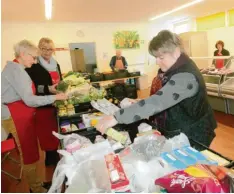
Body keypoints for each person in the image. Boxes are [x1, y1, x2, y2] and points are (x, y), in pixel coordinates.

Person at [96, 30, 217, 150]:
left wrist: (116, 117)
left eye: (161, 57)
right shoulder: (176, 68)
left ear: (175, 52)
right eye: (156, 57)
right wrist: (141, 102)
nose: (157, 62)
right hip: (181, 129)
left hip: (194, 134)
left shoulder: (185, 76)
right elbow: (166, 97)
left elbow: (158, 102)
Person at [1, 40, 67, 193]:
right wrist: (55, 98)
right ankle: (36, 189)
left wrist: (49, 88)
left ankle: (36, 185)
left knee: (30, 150)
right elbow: (30, 99)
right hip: (14, 115)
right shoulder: (17, 70)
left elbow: (27, 89)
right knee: (27, 152)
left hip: (18, 112)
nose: (35, 60)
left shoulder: (17, 68)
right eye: (33, 57)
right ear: (23, 54)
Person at [25, 38, 62, 166]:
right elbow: (34, 87)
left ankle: (54, 155)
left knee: (55, 130)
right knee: (47, 133)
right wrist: (48, 89)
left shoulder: (56, 64)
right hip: (43, 105)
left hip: (56, 102)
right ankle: (51, 160)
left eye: (50, 49)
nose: (47, 52)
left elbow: (60, 80)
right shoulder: (33, 66)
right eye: (44, 48)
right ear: (39, 49)